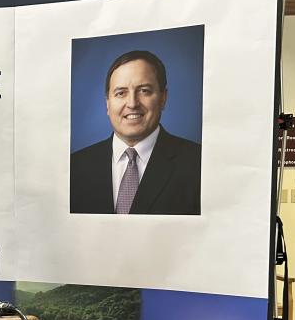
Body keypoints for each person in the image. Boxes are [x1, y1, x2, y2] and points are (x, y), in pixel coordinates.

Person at [69, 49, 201, 215]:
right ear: (107, 103)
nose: (132, 103)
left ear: (163, 98)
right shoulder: (74, 167)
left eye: (144, 90)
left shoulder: (198, 164)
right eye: (121, 93)